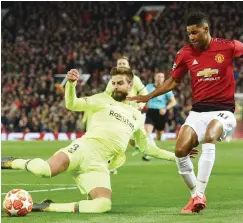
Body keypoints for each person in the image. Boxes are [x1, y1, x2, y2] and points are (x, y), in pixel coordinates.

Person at [2, 67, 178, 214]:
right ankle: (10, 163)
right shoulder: (102, 99)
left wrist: (176, 156)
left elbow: (147, 148)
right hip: (83, 149)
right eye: (114, 82)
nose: (116, 86)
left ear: (131, 85)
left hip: (99, 165)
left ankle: (47, 206)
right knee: (44, 170)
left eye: (120, 83)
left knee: (103, 205)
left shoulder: (137, 117)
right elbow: (72, 104)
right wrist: (71, 85)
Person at [127, 12, 243, 213]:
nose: (192, 38)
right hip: (198, 112)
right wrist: (148, 97)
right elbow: (173, 81)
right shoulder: (185, 53)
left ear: (206, 29)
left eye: (195, 33)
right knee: (180, 151)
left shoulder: (228, 46)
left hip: (223, 111)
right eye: (189, 34)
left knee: (210, 136)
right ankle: (195, 195)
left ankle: (199, 194)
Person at [145, 72, 177, 145]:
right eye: (158, 76)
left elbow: (174, 102)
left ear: (164, 79)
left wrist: (165, 108)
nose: (160, 78)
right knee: (147, 130)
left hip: (161, 112)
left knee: (159, 135)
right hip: (150, 111)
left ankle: (158, 139)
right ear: (155, 77)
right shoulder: (148, 87)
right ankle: (152, 148)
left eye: (162, 77)